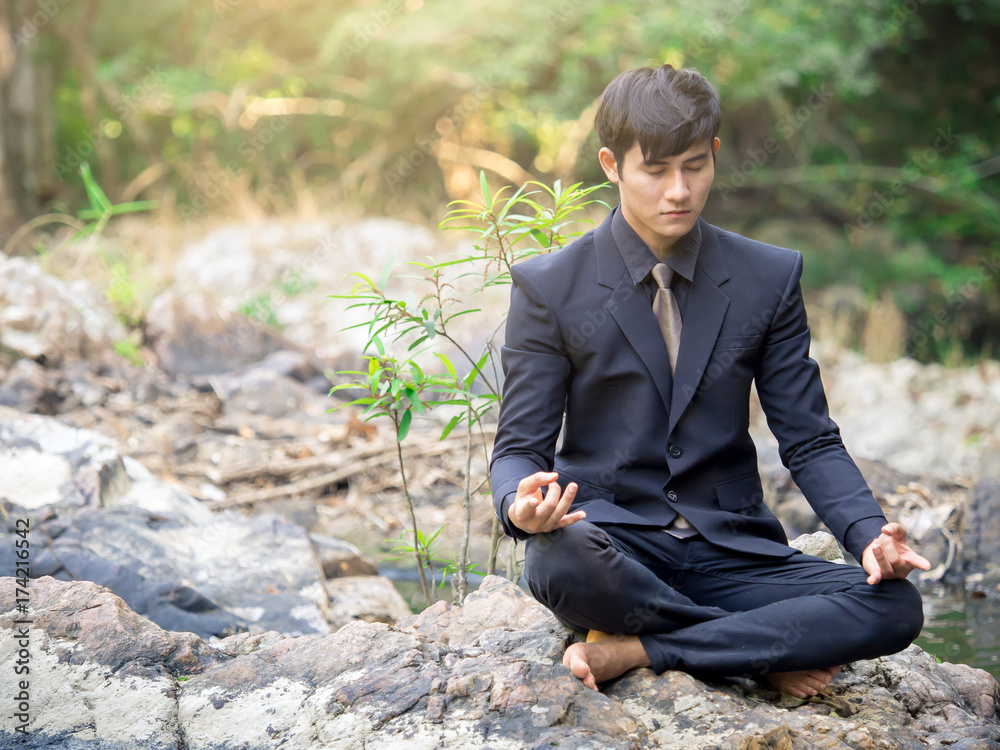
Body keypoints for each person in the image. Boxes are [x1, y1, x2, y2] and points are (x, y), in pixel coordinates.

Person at [488, 64, 930, 699]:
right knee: (558, 559)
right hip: (615, 548)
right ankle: (761, 646)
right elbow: (518, 448)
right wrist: (519, 507)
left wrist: (867, 534)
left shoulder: (767, 277)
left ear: (715, 154)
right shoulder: (549, 286)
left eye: (694, 166)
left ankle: (642, 649)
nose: (679, 190)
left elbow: (807, 439)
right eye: (656, 170)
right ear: (612, 165)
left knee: (897, 608)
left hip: (733, 551)